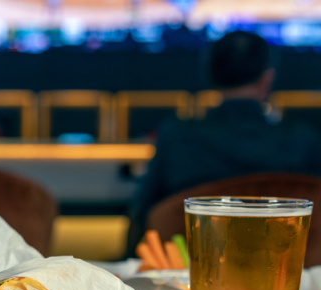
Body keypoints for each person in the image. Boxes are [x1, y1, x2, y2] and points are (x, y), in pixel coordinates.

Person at [127, 30, 321, 252]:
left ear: (210, 76)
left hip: (190, 279)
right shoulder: (303, 140)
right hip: (292, 281)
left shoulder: (177, 137)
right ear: (266, 78)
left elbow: (140, 221)